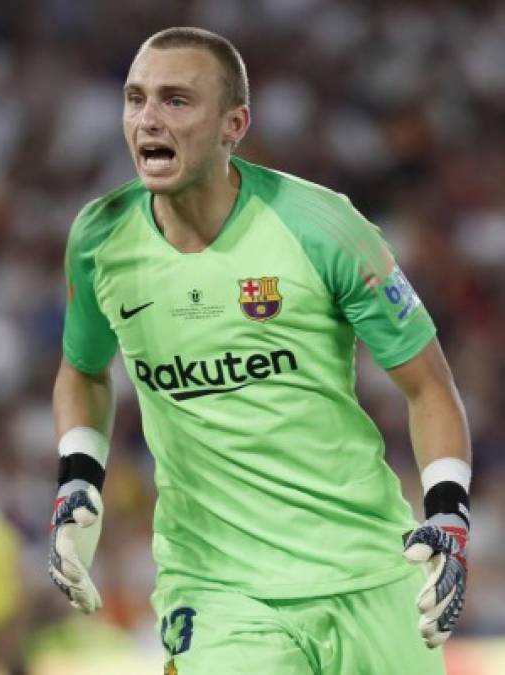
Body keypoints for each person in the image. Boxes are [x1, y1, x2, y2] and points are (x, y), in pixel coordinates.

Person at [49, 27, 471, 675]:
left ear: (233, 123)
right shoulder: (99, 237)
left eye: (176, 100)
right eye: (135, 99)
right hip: (218, 591)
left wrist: (447, 515)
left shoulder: (323, 227)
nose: (147, 119)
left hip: (367, 570)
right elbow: (83, 370)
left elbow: (428, 386)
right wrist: (79, 473)